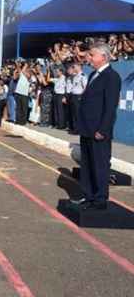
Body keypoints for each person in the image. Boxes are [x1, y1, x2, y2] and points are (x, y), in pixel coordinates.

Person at [75, 42, 122, 210]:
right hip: (87, 129)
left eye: (92, 55)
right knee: (87, 165)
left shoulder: (111, 76)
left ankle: (100, 199)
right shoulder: (93, 75)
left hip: (99, 131)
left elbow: (110, 107)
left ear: (103, 57)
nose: (88, 58)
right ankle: (88, 196)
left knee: (100, 165)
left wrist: (103, 129)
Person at [68, 64, 87, 135]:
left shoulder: (82, 76)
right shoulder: (75, 76)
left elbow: (85, 87)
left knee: (77, 114)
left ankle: (78, 130)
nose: (73, 68)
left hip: (78, 96)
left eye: (74, 66)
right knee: (74, 114)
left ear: (79, 67)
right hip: (73, 95)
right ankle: (74, 128)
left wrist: (81, 96)